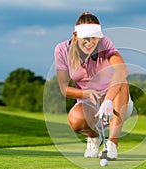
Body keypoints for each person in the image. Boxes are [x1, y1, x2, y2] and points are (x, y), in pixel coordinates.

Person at [54, 12, 133, 160]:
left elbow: (122, 70)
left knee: (121, 81)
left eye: (94, 38)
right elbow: (64, 89)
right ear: (75, 35)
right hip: (89, 104)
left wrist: (108, 100)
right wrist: (86, 94)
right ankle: (94, 137)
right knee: (76, 120)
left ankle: (112, 145)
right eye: (86, 38)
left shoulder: (104, 43)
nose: (90, 42)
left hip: (117, 104)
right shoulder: (61, 50)